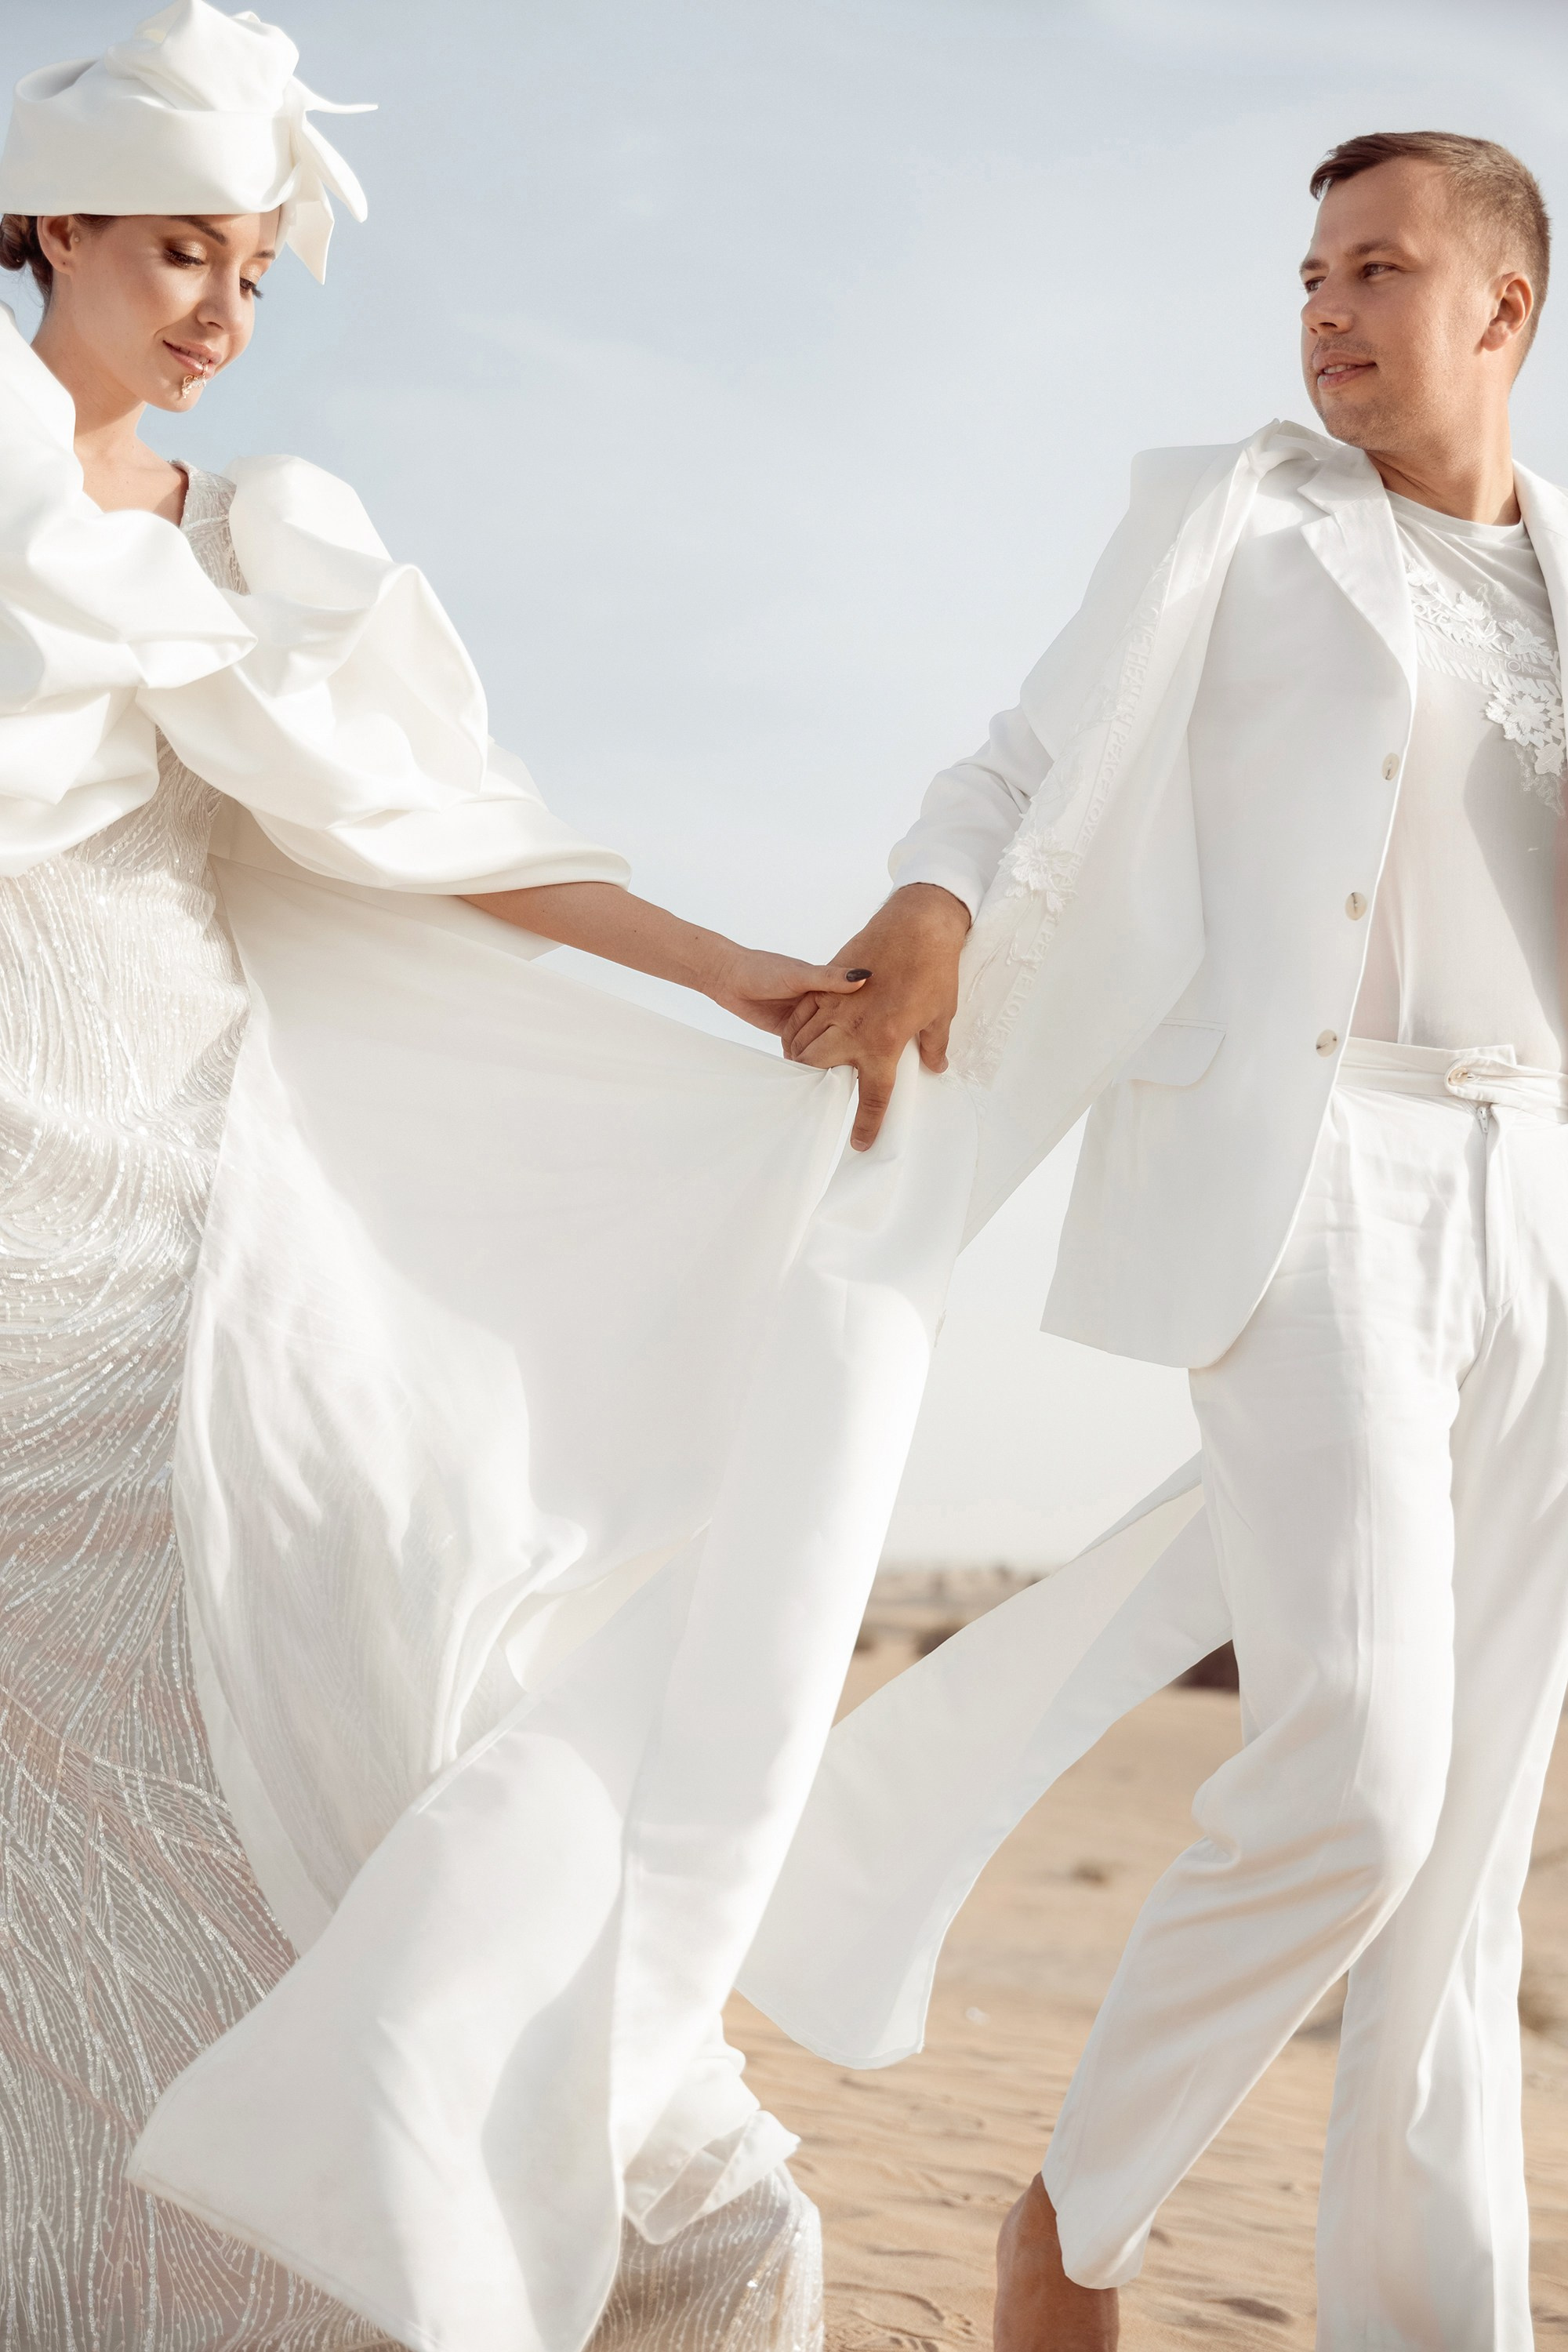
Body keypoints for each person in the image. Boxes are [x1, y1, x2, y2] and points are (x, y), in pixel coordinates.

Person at [0, 6, 985, 2349]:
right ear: (44, 228)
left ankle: (432, 2190)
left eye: (251, 267)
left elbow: (451, 839)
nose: (221, 314)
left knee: (375, 1650)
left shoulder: (249, 537)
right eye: (173, 256)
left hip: (189, 1213)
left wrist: (726, 969)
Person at [743, 132, 1568, 2348]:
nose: (1320, 307)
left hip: (1545, 1204)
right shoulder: (1240, 517)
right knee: (1370, 1770)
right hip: (1315, 1179)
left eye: (1376, 269)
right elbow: (1024, 761)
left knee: (1468, 1854)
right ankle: (1076, 2222)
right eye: (1309, 268)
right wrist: (930, 899)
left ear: (1504, 309)